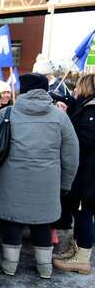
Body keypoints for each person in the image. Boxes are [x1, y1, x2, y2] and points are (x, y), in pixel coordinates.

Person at [0, 73, 79, 279]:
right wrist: (65, 184)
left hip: (11, 179)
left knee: (13, 220)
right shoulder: (60, 116)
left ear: (23, 89)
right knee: (43, 221)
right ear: (45, 90)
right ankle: (44, 267)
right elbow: (72, 155)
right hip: (47, 182)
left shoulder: (8, 113)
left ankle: (10, 264)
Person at [53, 73, 95, 274]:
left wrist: (68, 139)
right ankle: (76, 249)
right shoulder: (86, 106)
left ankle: (82, 258)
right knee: (81, 213)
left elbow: (86, 141)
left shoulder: (92, 110)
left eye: (78, 87)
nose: (76, 90)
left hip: (88, 173)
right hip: (85, 171)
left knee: (84, 212)